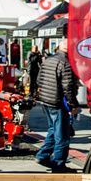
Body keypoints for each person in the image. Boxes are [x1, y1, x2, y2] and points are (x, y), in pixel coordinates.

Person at [34, 39, 79, 173]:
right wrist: (73, 105)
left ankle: (42, 155)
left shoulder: (48, 60)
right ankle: (59, 164)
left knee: (53, 129)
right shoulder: (66, 63)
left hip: (46, 100)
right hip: (58, 102)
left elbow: (38, 80)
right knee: (62, 134)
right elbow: (68, 87)